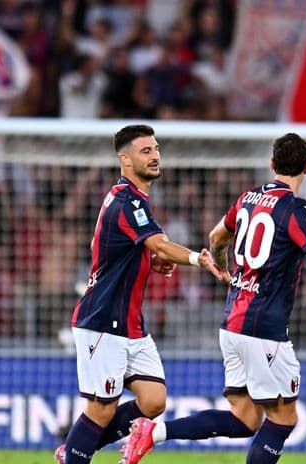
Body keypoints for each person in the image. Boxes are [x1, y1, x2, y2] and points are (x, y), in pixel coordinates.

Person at [119, 133, 306, 464]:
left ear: (272, 165)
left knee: (245, 419)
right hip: (264, 328)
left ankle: (152, 432)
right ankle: (151, 433)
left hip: (232, 323)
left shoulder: (248, 198)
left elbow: (216, 237)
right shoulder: (295, 209)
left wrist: (225, 270)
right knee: (284, 418)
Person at [54, 124, 227, 464]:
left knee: (153, 400)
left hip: (130, 321)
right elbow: (159, 243)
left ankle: (75, 448)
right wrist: (198, 258)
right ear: (125, 159)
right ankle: (75, 454)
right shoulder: (127, 201)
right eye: (146, 151)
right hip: (102, 319)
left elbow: (106, 246)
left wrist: (148, 260)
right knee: (101, 409)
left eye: (156, 149)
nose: (155, 156)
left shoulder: (131, 200)